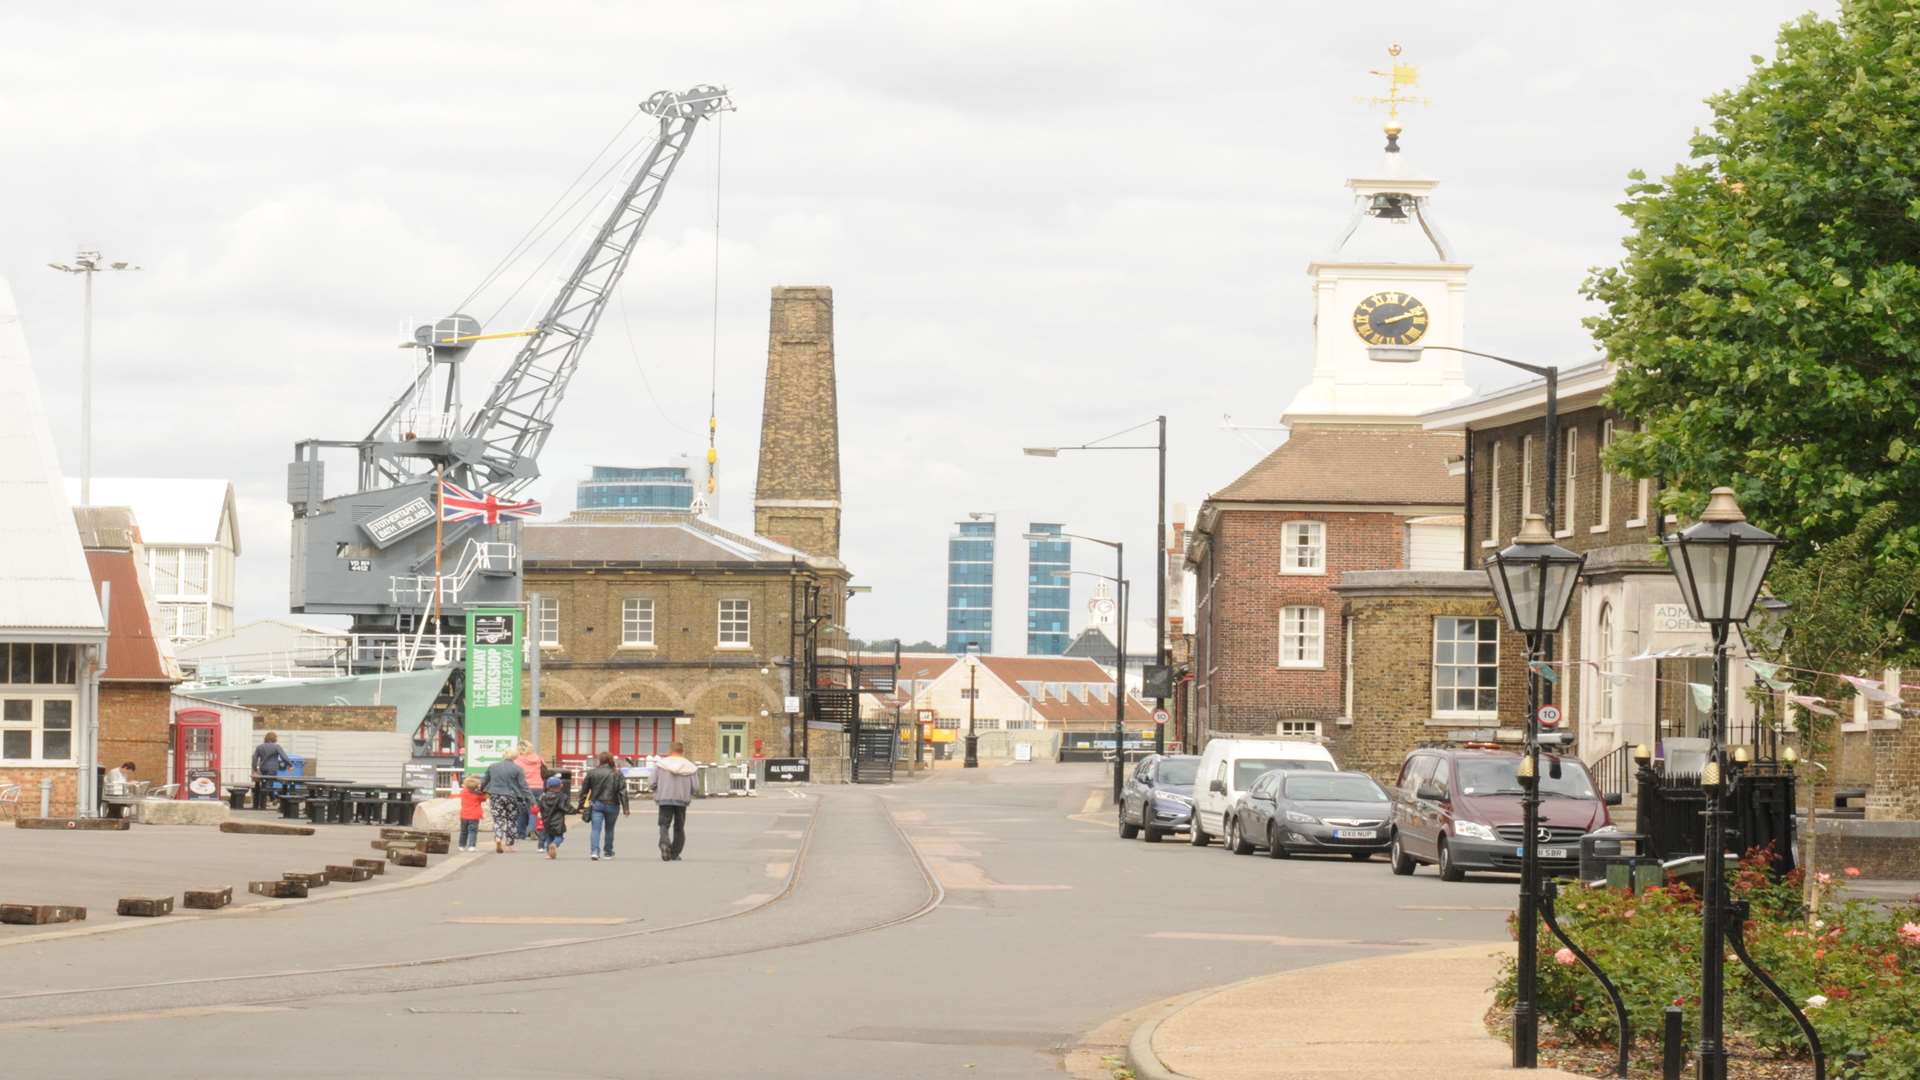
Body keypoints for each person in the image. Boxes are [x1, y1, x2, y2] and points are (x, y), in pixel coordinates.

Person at [579, 751, 631, 861]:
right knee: (609, 829)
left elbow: (584, 791)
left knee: (595, 829)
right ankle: (608, 852)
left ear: (600, 760)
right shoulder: (617, 773)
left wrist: (581, 806)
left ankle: (594, 851)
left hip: (597, 804)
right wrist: (626, 808)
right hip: (613, 804)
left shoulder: (592, 773)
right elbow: (622, 791)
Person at [650, 742, 698, 862]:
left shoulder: (661, 764)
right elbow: (696, 787)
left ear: (670, 751)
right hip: (682, 800)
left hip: (665, 798)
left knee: (664, 824)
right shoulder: (689, 766)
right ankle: (675, 853)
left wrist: (656, 790)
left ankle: (665, 844)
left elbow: (652, 782)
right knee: (679, 827)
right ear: (682, 751)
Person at [480, 753, 531, 854]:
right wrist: (531, 799)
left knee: (498, 820)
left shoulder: (493, 766)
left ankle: (498, 838)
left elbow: (485, 780)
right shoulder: (518, 769)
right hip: (512, 796)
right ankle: (509, 845)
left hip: (496, 795)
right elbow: (523, 786)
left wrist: (482, 789)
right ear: (514, 758)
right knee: (511, 820)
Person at [513, 741, 545, 842]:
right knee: (534, 809)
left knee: (521, 810)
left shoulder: (517, 760)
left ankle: (520, 833)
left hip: (523, 788)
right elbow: (544, 770)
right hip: (538, 786)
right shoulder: (538, 758)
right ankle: (532, 829)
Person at [535, 774, 573, 860]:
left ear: (547, 786)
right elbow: (566, 807)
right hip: (558, 821)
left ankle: (549, 854)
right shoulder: (562, 796)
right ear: (560, 785)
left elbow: (540, 807)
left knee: (549, 837)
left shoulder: (543, 797)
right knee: (559, 837)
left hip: (546, 820)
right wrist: (575, 811)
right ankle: (555, 844)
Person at [457, 775, 485, 852]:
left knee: (463, 831)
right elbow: (484, 798)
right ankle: (471, 846)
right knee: (473, 831)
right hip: (474, 816)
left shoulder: (463, 792)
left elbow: (465, 789)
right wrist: (480, 790)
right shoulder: (478, 795)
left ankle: (461, 845)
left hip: (464, 815)